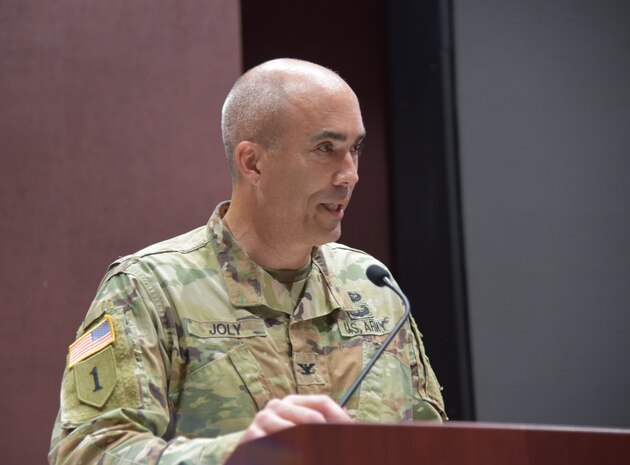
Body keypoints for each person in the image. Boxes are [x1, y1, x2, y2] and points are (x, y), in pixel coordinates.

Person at [49, 58, 446, 465]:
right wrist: (238, 455)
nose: (350, 175)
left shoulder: (373, 288)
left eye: (355, 149)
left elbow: (432, 446)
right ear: (253, 163)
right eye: (326, 148)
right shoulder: (149, 290)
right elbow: (89, 452)